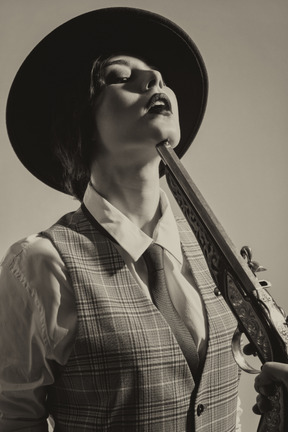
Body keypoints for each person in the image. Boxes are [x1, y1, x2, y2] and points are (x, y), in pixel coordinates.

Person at [0, 7, 242, 431]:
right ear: (83, 120)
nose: (153, 80)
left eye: (157, 75)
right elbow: (14, 417)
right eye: (118, 76)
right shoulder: (39, 263)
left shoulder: (214, 252)